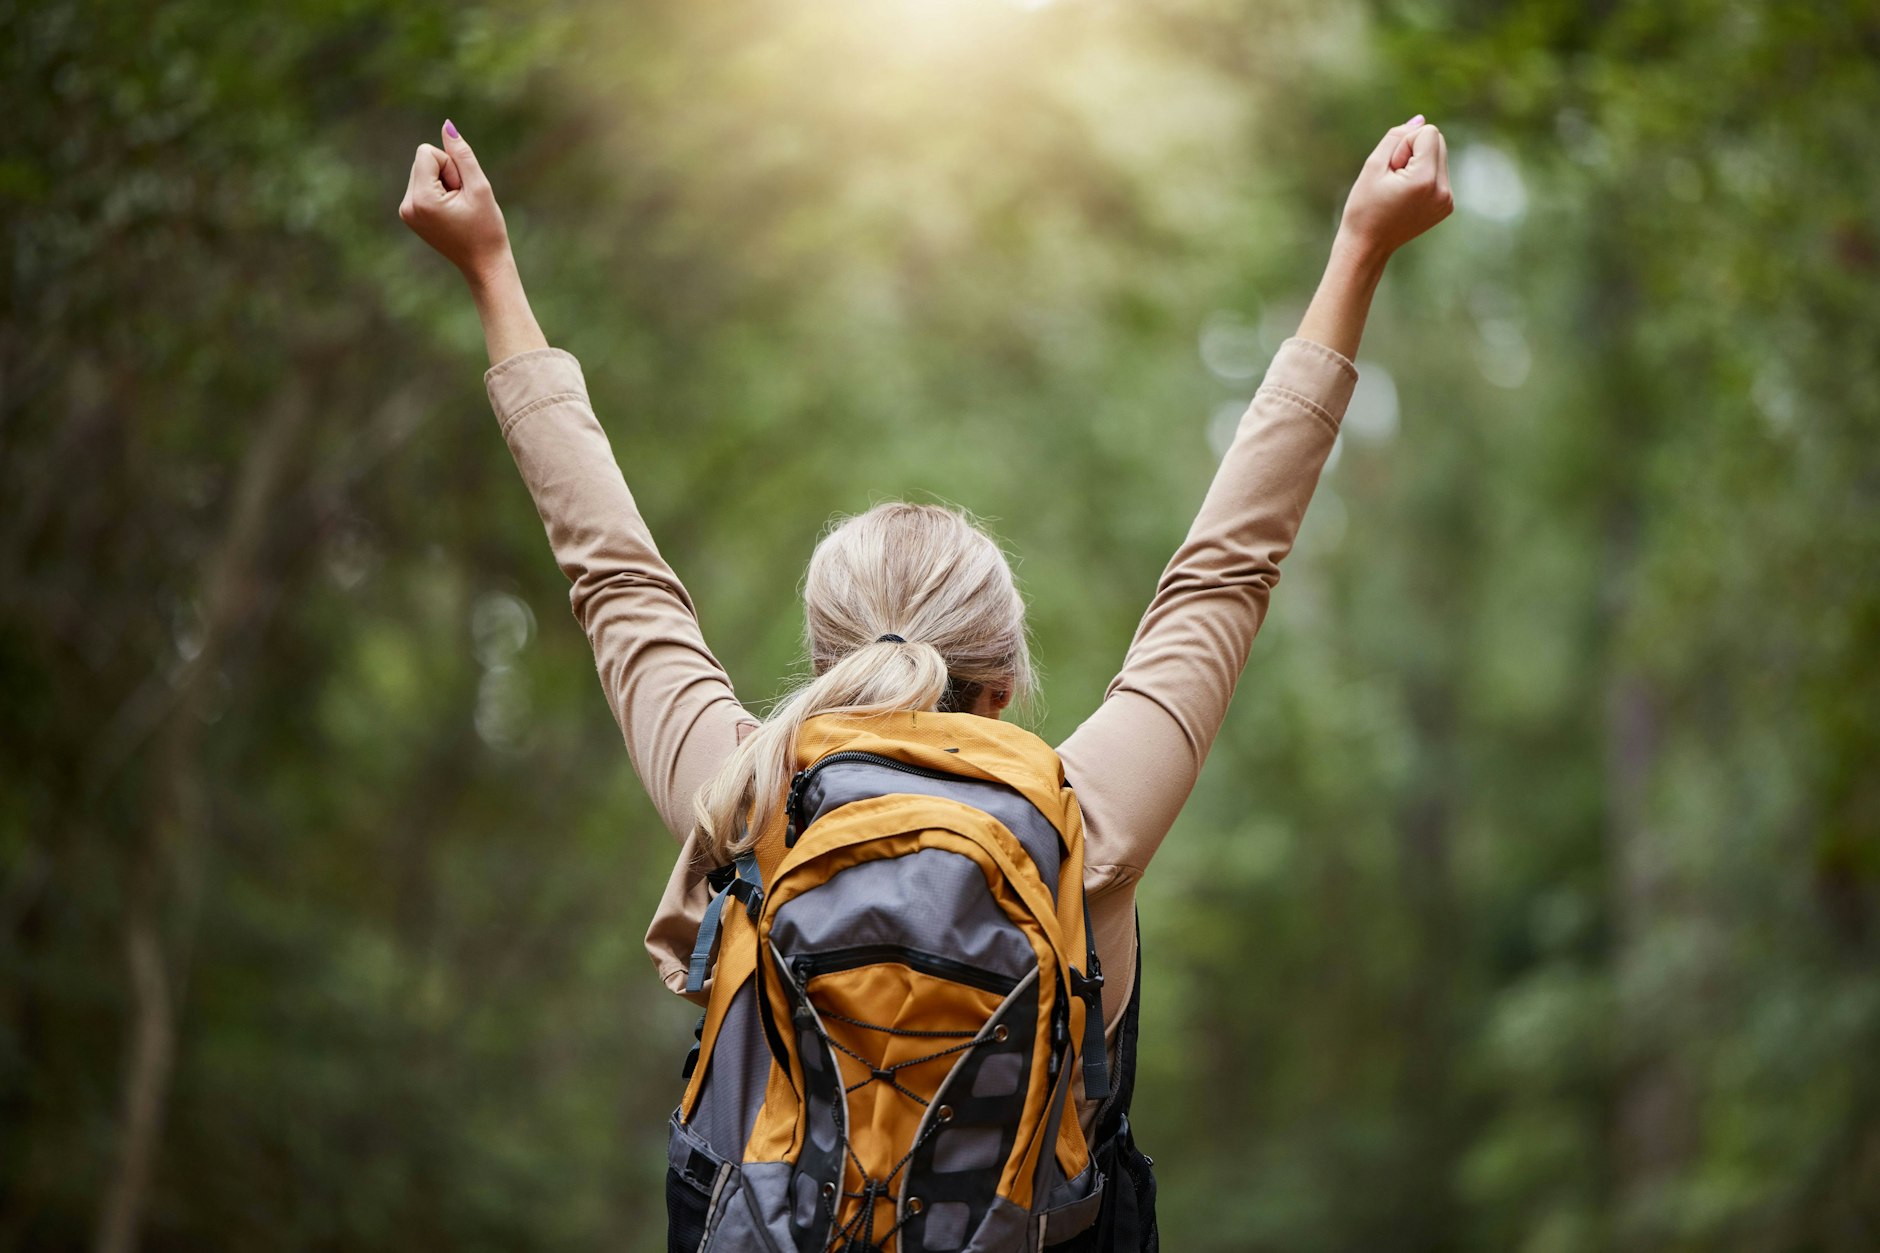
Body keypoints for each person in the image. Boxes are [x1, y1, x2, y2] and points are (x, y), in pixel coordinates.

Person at [400, 111, 1451, 1248]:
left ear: (826, 665)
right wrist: (1357, 252)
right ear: (1000, 685)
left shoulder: (748, 796)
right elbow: (1224, 574)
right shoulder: (1081, 822)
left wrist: (491, 271)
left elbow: (614, 578)